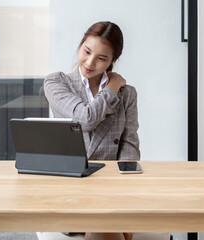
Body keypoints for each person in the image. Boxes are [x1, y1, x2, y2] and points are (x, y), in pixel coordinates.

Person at [43, 21, 140, 240]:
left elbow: (129, 143)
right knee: (104, 221)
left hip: (113, 185)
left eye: (102, 58)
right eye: (87, 51)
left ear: (112, 60)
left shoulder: (128, 94)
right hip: (73, 185)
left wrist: (123, 182)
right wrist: (112, 87)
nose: (90, 62)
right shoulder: (56, 83)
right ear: (80, 45)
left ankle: (120, 215)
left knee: (107, 216)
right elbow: (85, 119)